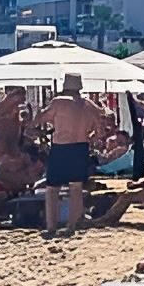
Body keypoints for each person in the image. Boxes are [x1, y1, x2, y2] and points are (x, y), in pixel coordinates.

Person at [37, 74, 118, 236]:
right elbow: (100, 131)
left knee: (52, 188)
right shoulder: (89, 105)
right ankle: (72, 225)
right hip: (81, 147)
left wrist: (42, 119)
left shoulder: (59, 102)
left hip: (61, 147)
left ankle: (51, 226)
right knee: (76, 187)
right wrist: (89, 137)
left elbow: (39, 119)